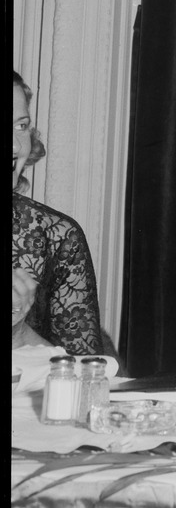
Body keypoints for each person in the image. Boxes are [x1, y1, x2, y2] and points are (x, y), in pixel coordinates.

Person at [12, 71, 104, 355]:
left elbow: (85, 378)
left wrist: (16, 332)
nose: (16, 146)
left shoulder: (57, 236)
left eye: (21, 125)